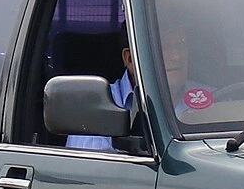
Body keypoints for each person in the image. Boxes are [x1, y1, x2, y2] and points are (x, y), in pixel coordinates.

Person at [65, 25, 212, 150]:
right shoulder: (95, 109)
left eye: (180, 44)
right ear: (130, 59)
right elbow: (93, 175)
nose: (177, 56)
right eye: (164, 46)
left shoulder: (212, 97)